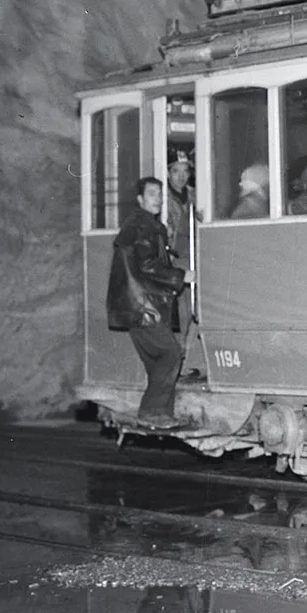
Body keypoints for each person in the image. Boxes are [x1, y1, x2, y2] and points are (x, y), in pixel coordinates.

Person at [106, 176, 193, 429]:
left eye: (160, 194)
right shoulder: (145, 226)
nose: (158, 199)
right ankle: (152, 412)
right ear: (141, 199)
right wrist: (180, 276)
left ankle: (162, 415)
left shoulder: (139, 224)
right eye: (153, 194)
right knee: (171, 353)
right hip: (145, 307)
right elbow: (146, 265)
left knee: (157, 362)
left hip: (136, 307)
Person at [164, 150, 194, 257]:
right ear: (168, 173)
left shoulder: (196, 195)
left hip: (194, 251)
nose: (181, 177)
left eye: (185, 171)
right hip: (173, 254)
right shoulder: (163, 198)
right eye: (176, 171)